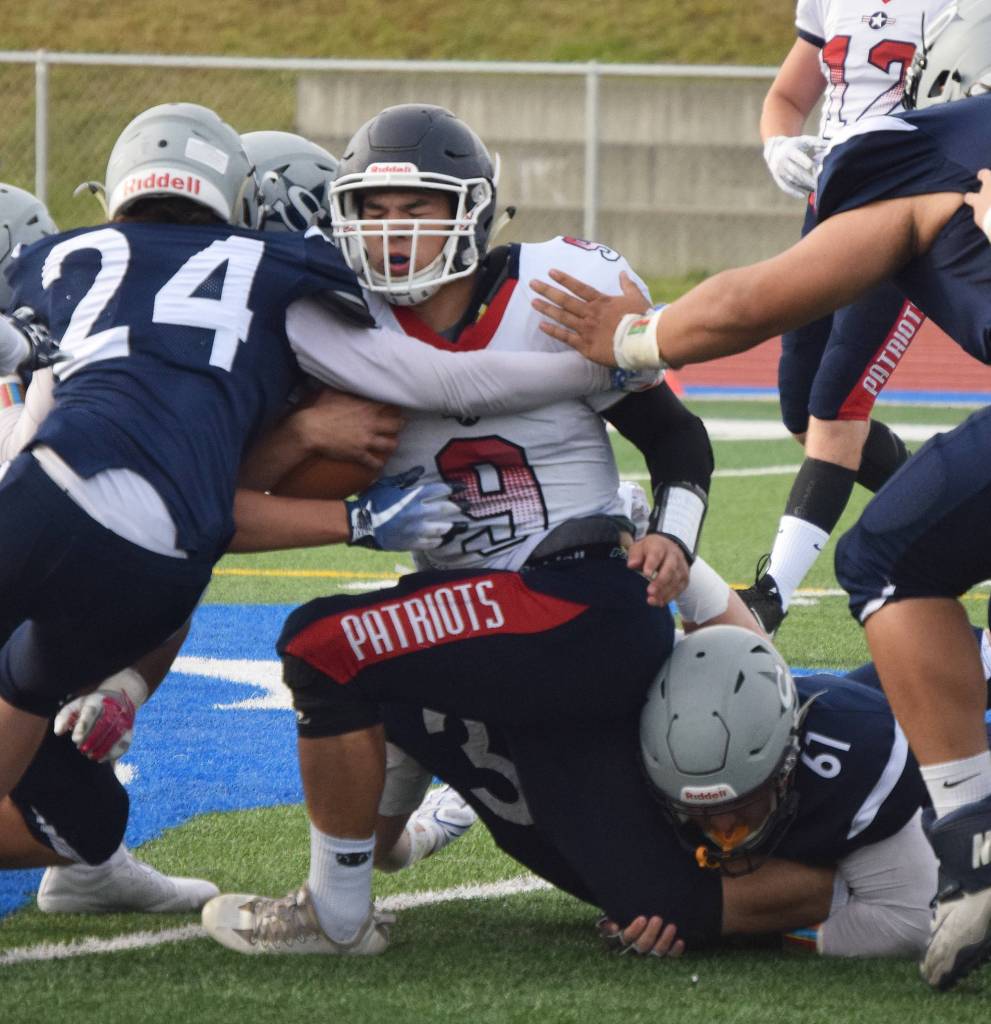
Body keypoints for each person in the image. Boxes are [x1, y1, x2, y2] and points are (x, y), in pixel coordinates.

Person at [0, 97, 652, 935]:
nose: (367, 246)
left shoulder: (67, 262)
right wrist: (622, 358)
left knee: (80, 760)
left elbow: (59, 441)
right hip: (132, 532)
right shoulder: (283, 286)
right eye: (354, 222)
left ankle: (96, 861)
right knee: (156, 584)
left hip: (56, 496)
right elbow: (200, 505)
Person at [530, 0, 991, 990]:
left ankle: (973, 838)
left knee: (886, 562)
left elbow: (753, 301)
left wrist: (632, 338)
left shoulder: (934, 142)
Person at [199, 102, 717, 957]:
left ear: (470, 211)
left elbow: (674, 435)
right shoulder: (336, 320)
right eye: (374, 212)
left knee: (323, 644)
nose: (394, 233)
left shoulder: (552, 288)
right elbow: (238, 486)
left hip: (573, 602)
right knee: (655, 903)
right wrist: (302, 432)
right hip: (477, 623)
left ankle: (334, 918)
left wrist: (676, 533)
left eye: (420, 211)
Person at [378, 616, 944, 959]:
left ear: (787, 761)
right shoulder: (633, 730)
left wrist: (741, 929)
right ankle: (444, 813)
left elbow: (904, 921)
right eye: (700, 813)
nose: (723, 833)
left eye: (740, 810)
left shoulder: (860, 760)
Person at [745, 0, 951, 635]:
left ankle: (770, 595)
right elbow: (787, 93)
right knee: (800, 409)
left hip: (907, 211)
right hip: (828, 206)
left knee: (837, 407)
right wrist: (779, 145)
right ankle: (959, 505)